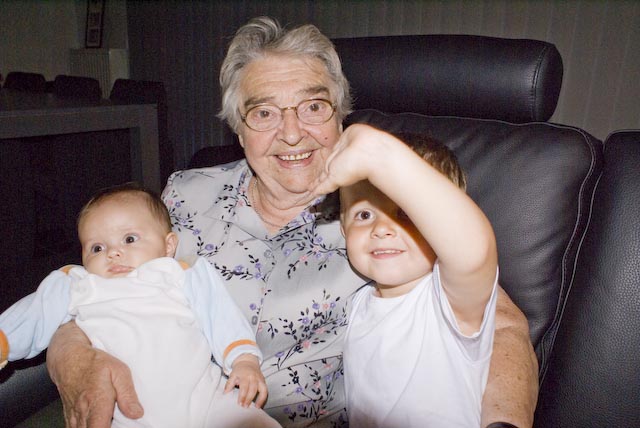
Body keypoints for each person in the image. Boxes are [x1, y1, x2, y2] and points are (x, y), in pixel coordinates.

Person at [44, 16, 538, 428]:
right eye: (264, 113)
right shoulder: (185, 195)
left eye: (314, 106)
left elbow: (498, 321)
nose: (293, 132)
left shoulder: (381, 212)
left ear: (342, 117)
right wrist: (74, 357)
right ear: (238, 130)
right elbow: (90, 285)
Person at [0, 183, 280, 428]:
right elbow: (36, 313)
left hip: (206, 400)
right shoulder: (80, 284)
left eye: (129, 239)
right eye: (97, 248)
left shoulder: (180, 274)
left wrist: (243, 359)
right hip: (127, 412)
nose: (113, 252)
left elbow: (219, 314)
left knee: (249, 420)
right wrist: (4, 339)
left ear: (168, 246)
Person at [322, 130, 497, 426]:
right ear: (343, 228)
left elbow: (474, 251)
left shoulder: (449, 300)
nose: (381, 229)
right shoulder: (355, 305)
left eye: (405, 214)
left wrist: (380, 156)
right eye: (364, 215)